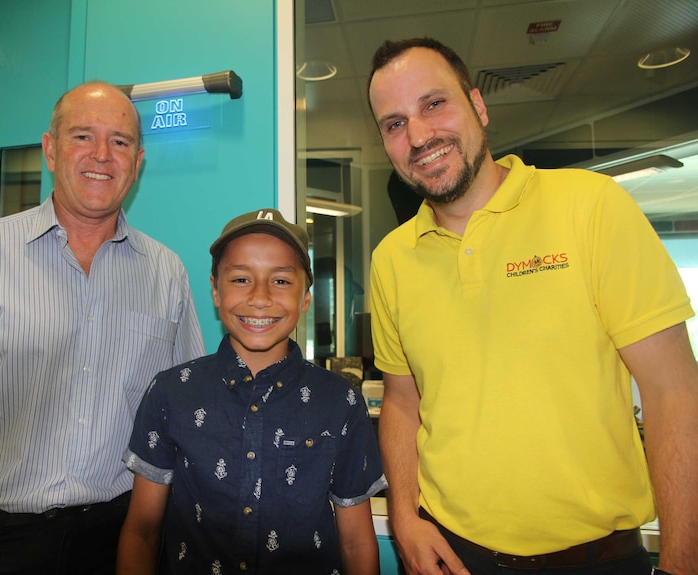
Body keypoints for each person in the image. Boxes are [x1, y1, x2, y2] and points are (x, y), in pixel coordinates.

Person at [366, 37, 698, 575]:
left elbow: (674, 391)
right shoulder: (391, 260)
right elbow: (403, 402)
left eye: (434, 104)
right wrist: (404, 515)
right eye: (395, 123)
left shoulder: (591, 207)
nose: (420, 135)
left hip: (597, 559)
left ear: (478, 104)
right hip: (454, 555)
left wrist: (684, 563)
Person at [0, 81, 205, 574]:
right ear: (50, 149)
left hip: (122, 543)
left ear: (138, 162)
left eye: (120, 141)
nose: (102, 155)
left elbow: (185, 414)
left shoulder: (166, 272)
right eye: (82, 136)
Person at [116, 208, 387, 575]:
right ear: (215, 289)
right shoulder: (171, 393)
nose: (260, 298)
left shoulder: (341, 402)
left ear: (306, 297)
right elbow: (143, 530)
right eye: (241, 279)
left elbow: (355, 541)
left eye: (280, 281)